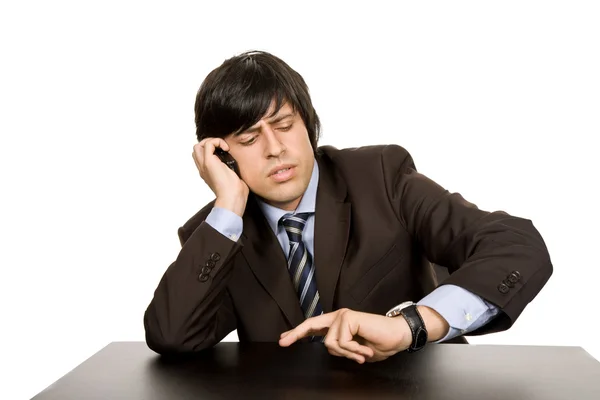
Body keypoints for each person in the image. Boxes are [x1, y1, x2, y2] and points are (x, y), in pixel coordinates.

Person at [143, 50, 553, 364]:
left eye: (285, 125)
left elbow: (517, 246)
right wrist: (229, 205)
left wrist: (410, 326)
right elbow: (171, 336)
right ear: (221, 155)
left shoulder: (381, 176)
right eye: (249, 139)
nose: (275, 149)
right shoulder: (217, 233)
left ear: (308, 123)